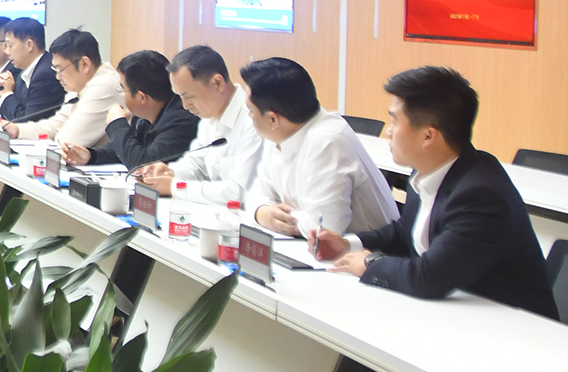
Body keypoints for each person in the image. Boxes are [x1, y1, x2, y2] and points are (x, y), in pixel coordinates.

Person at [310, 67, 554, 317]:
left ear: (428, 136)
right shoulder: (427, 170)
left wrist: (370, 263)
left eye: (394, 121)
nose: (388, 132)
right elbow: (406, 233)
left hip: (515, 327)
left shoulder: (480, 195)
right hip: (456, 314)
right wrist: (348, 244)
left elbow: (428, 277)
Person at [239, 57, 398, 236]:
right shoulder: (278, 134)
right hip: (311, 245)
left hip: (366, 249)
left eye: (250, 110)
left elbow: (323, 227)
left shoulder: (327, 141)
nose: (249, 116)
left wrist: (276, 215)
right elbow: (255, 195)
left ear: (273, 119)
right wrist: (262, 213)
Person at [139, 45, 266, 202]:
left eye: (189, 96)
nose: (185, 105)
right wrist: (169, 173)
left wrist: (174, 186)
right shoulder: (208, 119)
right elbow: (197, 165)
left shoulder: (253, 121)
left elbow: (239, 192)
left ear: (217, 83)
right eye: (180, 97)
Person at [85, 49, 199, 169]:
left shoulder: (182, 121)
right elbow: (127, 151)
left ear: (141, 97)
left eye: (123, 89)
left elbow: (143, 164)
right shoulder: (142, 117)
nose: (122, 95)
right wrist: (91, 155)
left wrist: (117, 124)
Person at [19, 27, 121, 145]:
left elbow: (67, 141)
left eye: (60, 69)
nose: (57, 76)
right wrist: (17, 130)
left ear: (84, 64)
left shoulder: (103, 88)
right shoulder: (79, 86)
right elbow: (56, 126)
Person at [0, 18, 63, 127]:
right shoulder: (24, 71)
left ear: (29, 45)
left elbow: (26, 121)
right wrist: (0, 94)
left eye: (10, 46)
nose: (7, 52)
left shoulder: (45, 74)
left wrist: (6, 94)